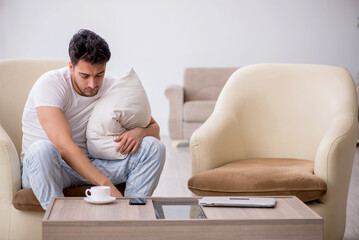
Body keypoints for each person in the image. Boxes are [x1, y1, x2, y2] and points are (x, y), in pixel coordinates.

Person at [21, 29, 166, 210]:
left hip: (92, 162)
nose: (92, 84)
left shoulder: (112, 87)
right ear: (71, 67)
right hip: (52, 166)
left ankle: (131, 216)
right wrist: (106, 185)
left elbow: (155, 129)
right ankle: (60, 223)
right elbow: (63, 146)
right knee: (41, 150)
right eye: (85, 76)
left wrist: (141, 132)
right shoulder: (50, 84)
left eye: (99, 75)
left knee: (154, 147)